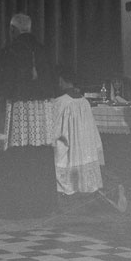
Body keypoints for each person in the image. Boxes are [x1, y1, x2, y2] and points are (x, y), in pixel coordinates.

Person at [0, 13, 57, 217]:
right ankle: (43, 206)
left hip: (17, 109)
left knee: (17, 153)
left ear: (12, 30)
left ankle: (15, 207)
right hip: (42, 111)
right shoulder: (43, 49)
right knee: (40, 152)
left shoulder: (9, 50)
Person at [53, 65, 104, 196]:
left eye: (59, 81)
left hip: (69, 143)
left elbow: (56, 128)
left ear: (62, 80)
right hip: (84, 147)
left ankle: (68, 188)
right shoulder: (84, 101)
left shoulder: (61, 102)